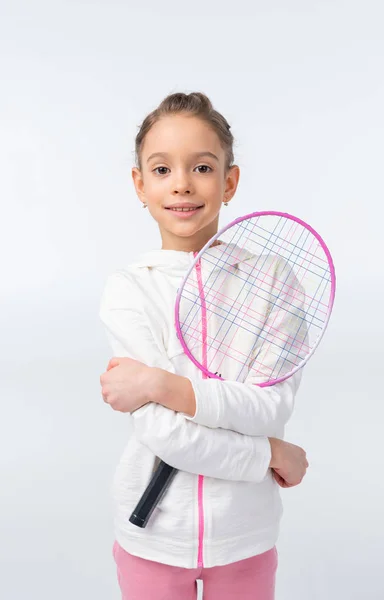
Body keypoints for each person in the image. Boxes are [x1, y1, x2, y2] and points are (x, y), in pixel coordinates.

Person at [99, 91, 309, 600]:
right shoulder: (129, 289)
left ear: (230, 181)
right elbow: (163, 433)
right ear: (140, 185)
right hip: (151, 541)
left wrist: (158, 383)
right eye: (163, 169)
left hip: (246, 540)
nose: (183, 185)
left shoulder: (273, 281)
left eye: (202, 167)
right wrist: (269, 456)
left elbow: (267, 408)